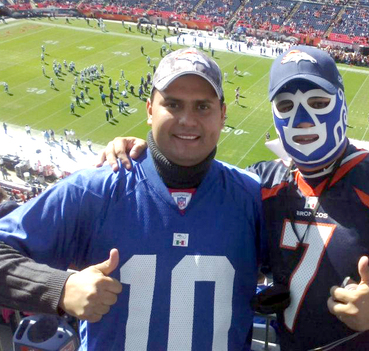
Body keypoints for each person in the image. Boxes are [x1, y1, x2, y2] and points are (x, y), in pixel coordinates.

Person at [101, 46, 369, 350]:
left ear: (341, 102)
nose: (302, 119)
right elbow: (192, 187)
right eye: (286, 107)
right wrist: (147, 151)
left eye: (318, 103)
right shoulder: (266, 181)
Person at [0, 48, 265, 350]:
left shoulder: (253, 197)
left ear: (223, 114)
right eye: (173, 104)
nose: (187, 120)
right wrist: (59, 288)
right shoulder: (95, 190)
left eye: (202, 107)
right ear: (150, 110)